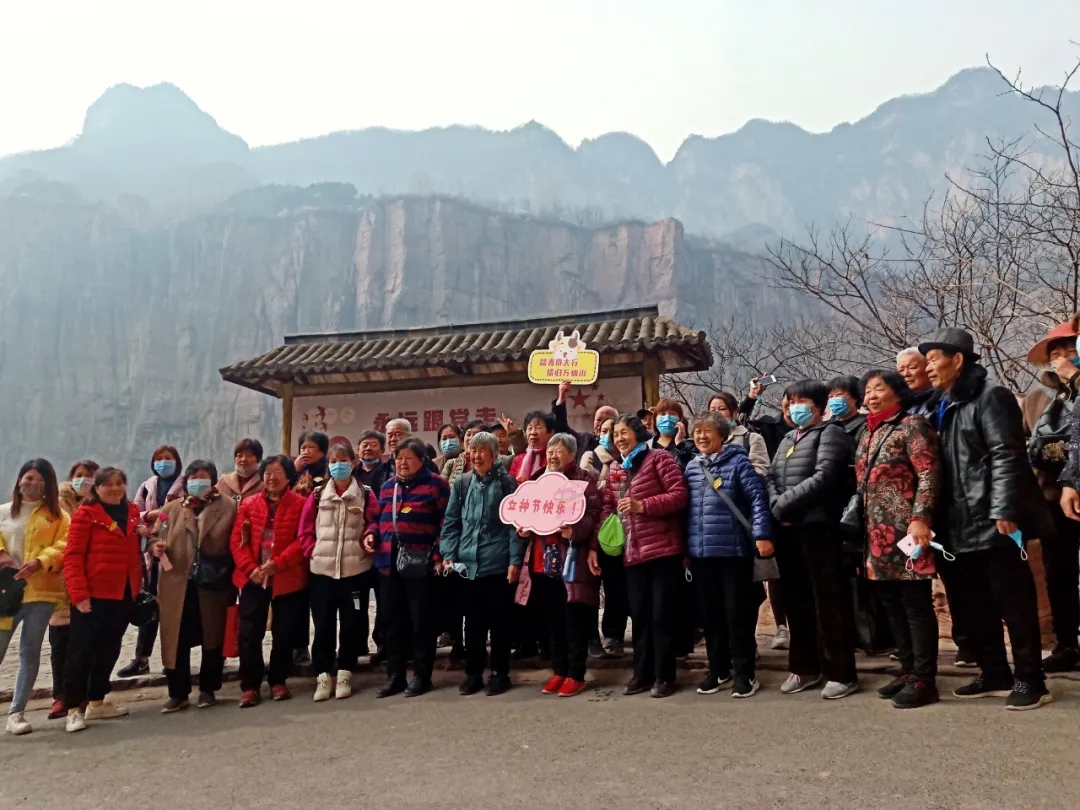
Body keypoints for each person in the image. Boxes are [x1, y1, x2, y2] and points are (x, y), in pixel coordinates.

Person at [921, 327, 1053, 710]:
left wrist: (1005, 509)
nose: (928, 367)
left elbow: (1006, 455)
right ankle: (994, 671)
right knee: (970, 604)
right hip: (953, 523)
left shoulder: (988, 396)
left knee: (1014, 601)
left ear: (957, 360)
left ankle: (1031, 678)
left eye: (934, 359)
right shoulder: (938, 405)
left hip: (991, 519)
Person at [767, 380, 859, 700]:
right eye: (791, 401)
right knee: (797, 601)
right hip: (790, 530)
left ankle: (841, 672)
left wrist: (783, 502)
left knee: (828, 601)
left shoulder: (831, 433)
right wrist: (776, 503)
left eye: (802, 401)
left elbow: (824, 476)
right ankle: (804, 667)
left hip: (821, 528)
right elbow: (770, 476)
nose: (795, 407)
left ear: (819, 406)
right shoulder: (788, 438)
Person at [856, 370, 942, 709]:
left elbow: (929, 473)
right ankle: (908, 669)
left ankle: (925, 678)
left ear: (898, 393)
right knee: (891, 603)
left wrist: (921, 519)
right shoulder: (867, 432)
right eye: (868, 390)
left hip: (907, 530)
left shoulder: (912, 426)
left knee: (915, 604)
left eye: (880, 388)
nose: (872, 395)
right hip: (875, 534)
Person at [599, 414, 689, 698]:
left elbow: (679, 495)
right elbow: (607, 508)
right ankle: (642, 673)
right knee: (639, 616)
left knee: (662, 616)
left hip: (663, 551)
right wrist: (598, 542)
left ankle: (665, 676)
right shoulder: (616, 468)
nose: (620, 439)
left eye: (624, 432)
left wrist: (643, 505)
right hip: (632, 553)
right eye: (616, 435)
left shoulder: (659, 459)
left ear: (638, 433)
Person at [685, 414, 773, 699]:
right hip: (701, 554)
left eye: (707, 431)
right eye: (697, 432)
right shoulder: (692, 467)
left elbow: (758, 500)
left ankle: (745, 673)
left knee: (738, 614)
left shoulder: (739, 463)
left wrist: (762, 535)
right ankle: (718, 669)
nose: (701, 437)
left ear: (722, 435)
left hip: (734, 551)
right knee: (711, 616)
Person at [513, 434, 603, 697]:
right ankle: (559, 670)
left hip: (571, 560)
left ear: (573, 454)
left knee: (573, 619)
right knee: (551, 620)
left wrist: (574, 531)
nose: (552, 456)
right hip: (541, 559)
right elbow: (525, 511)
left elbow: (594, 514)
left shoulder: (584, 481)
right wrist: (522, 530)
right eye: (550, 451)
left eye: (559, 451)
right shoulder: (537, 480)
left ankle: (576, 673)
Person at [364, 437, 450, 698]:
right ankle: (396, 676)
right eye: (398, 458)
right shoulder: (389, 486)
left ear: (421, 460)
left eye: (407, 458)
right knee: (392, 622)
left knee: (421, 623)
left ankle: (422, 677)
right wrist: (371, 535)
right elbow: (377, 520)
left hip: (421, 565)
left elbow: (447, 523)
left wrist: (437, 553)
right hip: (388, 564)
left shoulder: (437, 485)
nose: (402, 463)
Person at [150, 460, 238, 712]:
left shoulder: (228, 506)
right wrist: (155, 545)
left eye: (204, 477)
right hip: (178, 582)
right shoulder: (171, 508)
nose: (198, 482)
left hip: (213, 582)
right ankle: (178, 693)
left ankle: (209, 689)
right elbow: (156, 534)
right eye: (193, 477)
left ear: (212, 481)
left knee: (213, 634)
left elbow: (234, 542)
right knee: (175, 636)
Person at [62, 467, 142, 733]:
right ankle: (73, 708)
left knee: (109, 649)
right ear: (96, 488)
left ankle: (97, 702)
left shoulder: (131, 512)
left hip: (123, 592)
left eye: (120, 483)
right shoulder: (86, 515)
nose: (115, 488)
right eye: (108, 484)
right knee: (81, 651)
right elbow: (72, 557)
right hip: (93, 595)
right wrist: (79, 594)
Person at [439, 432, 519, 696]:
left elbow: (514, 527)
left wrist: (515, 561)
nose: (476, 456)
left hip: (497, 564)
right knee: (472, 624)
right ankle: (473, 673)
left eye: (483, 450)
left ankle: (499, 673)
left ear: (495, 455)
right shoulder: (461, 484)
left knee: (500, 624)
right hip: (467, 566)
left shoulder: (508, 484)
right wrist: (449, 553)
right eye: (473, 451)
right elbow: (451, 523)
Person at [299, 443, 378, 702]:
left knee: (351, 624)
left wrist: (369, 539)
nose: (338, 465)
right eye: (334, 460)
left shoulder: (365, 494)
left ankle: (345, 672)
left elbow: (374, 524)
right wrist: (312, 550)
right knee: (322, 625)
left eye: (343, 460)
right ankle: (323, 675)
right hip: (322, 571)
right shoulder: (318, 494)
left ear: (353, 462)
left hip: (355, 570)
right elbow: (305, 529)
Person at [1024, 316, 1080, 672]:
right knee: (1059, 573)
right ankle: (1066, 645)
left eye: (1070, 350)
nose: (1062, 358)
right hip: (1050, 498)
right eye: (1056, 353)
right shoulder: (1036, 398)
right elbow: (1024, 446)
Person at [230, 455, 308, 707]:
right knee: (250, 633)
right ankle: (250, 685)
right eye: (267, 473)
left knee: (283, 633)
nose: (271, 478)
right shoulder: (249, 504)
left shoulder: (301, 504)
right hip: (253, 578)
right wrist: (250, 568)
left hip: (286, 578)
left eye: (277, 473)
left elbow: (303, 540)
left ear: (288, 477)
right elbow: (236, 541)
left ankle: (278, 680)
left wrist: (278, 564)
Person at [0, 460, 70, 736]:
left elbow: (65, 544)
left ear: (49, 486)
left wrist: (42, 561)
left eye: (40, 481)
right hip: (6, 595)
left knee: (30, 653)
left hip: (41, 594)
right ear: (19, 480)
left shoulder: (58, 516)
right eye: (29, 478)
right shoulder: (4, 512)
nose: (33, 484)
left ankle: (16, 712)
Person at [119, 445, 183, 678]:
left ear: (177, 462)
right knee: (149, 607)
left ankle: (174, 659)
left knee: (175, 609)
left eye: (168, 458)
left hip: (178, 554)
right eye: (159, 459)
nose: (163, 463)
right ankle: (142, 658)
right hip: (151, 557)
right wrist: (150, 517)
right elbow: (135, 515)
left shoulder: (185, 485)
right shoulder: (147, 487)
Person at [48, 460, 98, 720]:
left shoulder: (102, 506)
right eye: (79, 475)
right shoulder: (57, 507)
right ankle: (60, 696)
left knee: (87, 644)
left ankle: (86, 694)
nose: (84, 480)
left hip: (92, 583)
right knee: (60, 644)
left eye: (90, 476)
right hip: (59, 585)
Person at [708, 393, 769, 477]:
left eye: (722, 409)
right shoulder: (704, 441)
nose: (717, 414)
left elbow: (760, 471)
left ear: (734, 412)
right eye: (712, 410)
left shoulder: (752, 439)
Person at [738, 379, 794, 458]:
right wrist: (751, 397)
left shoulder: (814, 433)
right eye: (789, 399)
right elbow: (738, 423)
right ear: (782, 400)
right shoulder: (766, 426)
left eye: (800, 401)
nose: (792, 404)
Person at [651, 398, 696, 468]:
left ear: (680, 419)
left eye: (672, 414)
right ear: (655, 419)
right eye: (662, 414)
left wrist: (680, 444)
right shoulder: (647, 446)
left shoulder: (690, 445)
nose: (667, 418)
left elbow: (693, 469)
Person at [217, 438, 265, 503]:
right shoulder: (224, 481)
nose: (243, 459)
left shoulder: (264, 482)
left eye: (249, 456)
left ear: (259, 459)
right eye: (239, 456)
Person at [442, 420, 486, 486]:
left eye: (475, 434)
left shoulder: (492, 461)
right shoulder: (451, 464)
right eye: (468, 434)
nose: (471, 438)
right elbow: (440, 489)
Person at [827, 376, 867, 444]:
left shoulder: (865, 426)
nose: (834, 399)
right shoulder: (827, 425)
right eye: (830, 396)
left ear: (855, 397)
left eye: (838, 395)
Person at [896, 348, 936, 414]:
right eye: (901, 370)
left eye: (912, 367)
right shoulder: (901, 406)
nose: (906, 374)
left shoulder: (942, 399)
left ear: (928, 367)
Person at [293, 430, 330, 497]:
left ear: (322, 452)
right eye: (303, 448)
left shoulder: (328, 470)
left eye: (311, 447)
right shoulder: (297, 470)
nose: (306, 451)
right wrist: (293, 470)